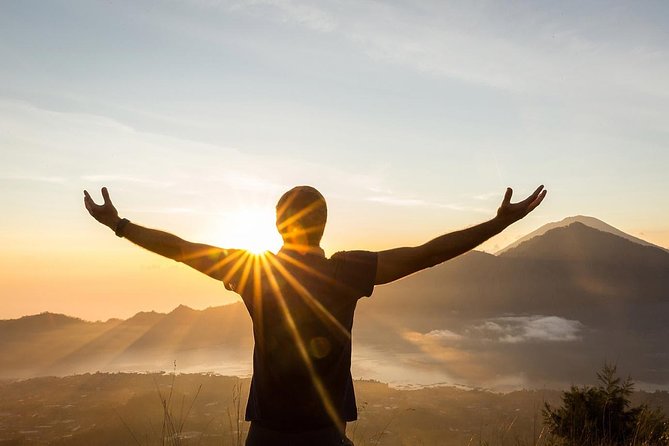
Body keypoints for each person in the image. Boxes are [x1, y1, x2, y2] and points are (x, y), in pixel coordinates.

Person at [84, 184, 546, 445]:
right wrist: (498, 223)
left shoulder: (255, 272)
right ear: (322, 226)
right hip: (326, 435)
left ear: (278, 226)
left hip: (266, 436)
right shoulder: (345, 271)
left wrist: (120, 226)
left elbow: (183, 250)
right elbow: (426, 254)